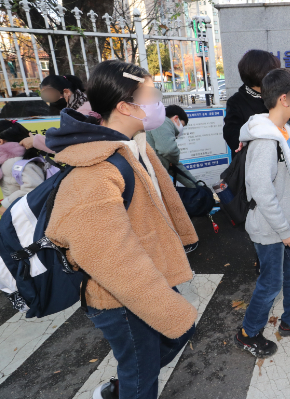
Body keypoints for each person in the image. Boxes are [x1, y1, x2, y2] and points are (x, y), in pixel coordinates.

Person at [44, 60, 199, 399]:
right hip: (120, 296)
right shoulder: (95, 170)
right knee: (143, 375)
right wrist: (168, 305)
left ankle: (120, 388)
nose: (159, 101)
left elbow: (158, 204)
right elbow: (109, 256)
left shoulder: (133, 145)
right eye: (152, 94)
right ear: (126, 106)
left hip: (148, 279)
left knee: (153, 355)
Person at [235, 68, 290, 358]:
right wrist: (285, 231)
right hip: (271, 229)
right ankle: (248, 333)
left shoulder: (283, 132)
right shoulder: (266, 140)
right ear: (285, 98)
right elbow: (261, 190)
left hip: (285, 227)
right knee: (271, 283)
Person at [223, 50, 290, 153]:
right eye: (274, 70)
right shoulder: (236, 101)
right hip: (255, 156)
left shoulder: (279, 92)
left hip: (281, 153)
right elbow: (231, 133)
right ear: (261, 73)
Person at [0, 120, 45, 214]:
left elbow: (35, 188)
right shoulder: (14, 159)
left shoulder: (13, 163)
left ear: (0, 141)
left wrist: (6, 205)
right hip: (23, 212)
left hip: (26, 214)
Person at [20, 75, 96, 153]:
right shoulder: (77, 107)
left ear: (66, 92)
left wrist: (35, 141)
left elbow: (69, 145)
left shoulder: (84, 111)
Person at [146, 104, 198, 188]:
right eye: (182, 125)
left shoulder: (155, 125)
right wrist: (174, 159)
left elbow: (174, 165)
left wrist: (196, 186)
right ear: (176, 118)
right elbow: (169, 150)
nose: (181, 129)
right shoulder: (163, 122)